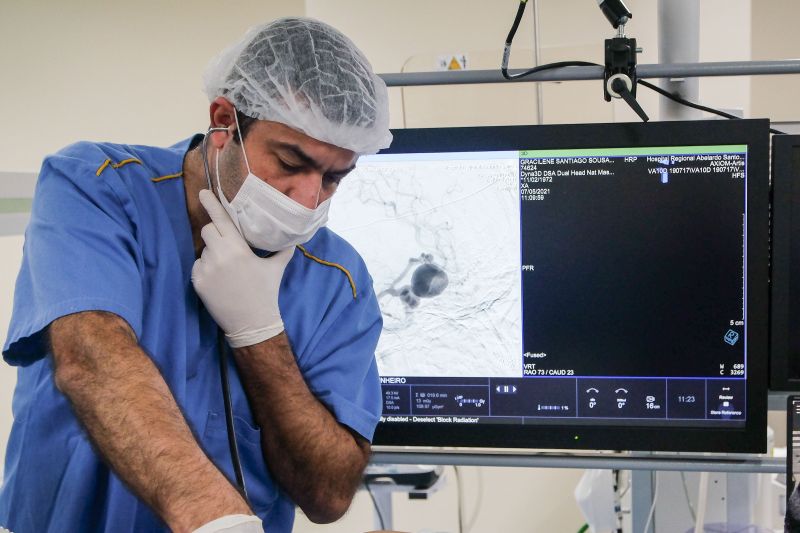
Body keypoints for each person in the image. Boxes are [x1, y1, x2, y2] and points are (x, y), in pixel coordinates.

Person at [0, 17, 392, 533]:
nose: (308, 198)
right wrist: (219, 522)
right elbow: (91, 359)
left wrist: (259, 334)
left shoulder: (338, 280)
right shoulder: (98, 189)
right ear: (224, 122)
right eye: (291, 161)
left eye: (334, 178)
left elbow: (329, 493)